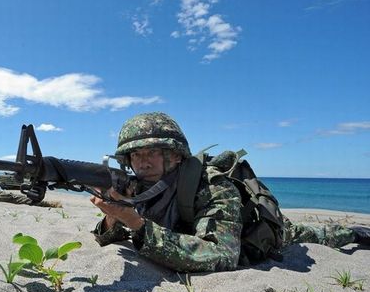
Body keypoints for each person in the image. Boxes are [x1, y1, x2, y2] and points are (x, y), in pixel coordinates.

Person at [91, 112, 370, 273]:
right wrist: (114, 216)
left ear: (176, 156)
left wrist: (137, 224)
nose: (143, 161)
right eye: (136, 154)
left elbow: (222, 255)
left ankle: (355, 232)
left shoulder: (213, 186)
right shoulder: (138, 185)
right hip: (188, 232)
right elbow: (109, 237)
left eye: (153, 151)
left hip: (257, 232)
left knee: (316, 235)